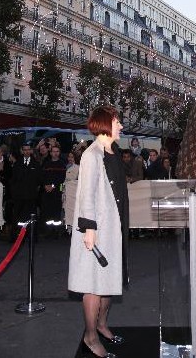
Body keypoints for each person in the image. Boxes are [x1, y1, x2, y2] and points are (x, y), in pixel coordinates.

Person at [69, 106, 129, 358]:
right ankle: (90, 336)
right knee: (93, 284)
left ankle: (102, 325)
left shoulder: (113, 152)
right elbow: (86, 196)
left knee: (108, 282)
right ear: (105, 124)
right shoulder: (91, 155)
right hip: (97, 229)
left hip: (114, 226)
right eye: (117, 121)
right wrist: (89, 229)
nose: (121, 126)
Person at [10, 144, 43, 239]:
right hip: (19, 196)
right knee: (17, 216)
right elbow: (13, 179)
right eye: (25, 150)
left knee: (32, 217)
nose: (27, 151)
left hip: (31, 196)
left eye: (28, 150)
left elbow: (39, 179)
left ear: (31, 151)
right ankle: (15, 236)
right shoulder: (17, 164)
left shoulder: (36, 164)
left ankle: (32, 236)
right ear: (22, 151)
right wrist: (15, 192)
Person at [40, 144, 67, 238]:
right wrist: (45, 185)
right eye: (53, 151)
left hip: (57, 192)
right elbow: (42, 176)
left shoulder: (62, 164)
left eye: (57, 151)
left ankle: (55, 231)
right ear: (50, 153)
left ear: (59, 153)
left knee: (56, 212)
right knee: (47, 211)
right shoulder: (46, 164)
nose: (55, 153)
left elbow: (62, 179)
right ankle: (47, 230)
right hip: (47, 192)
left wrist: (52, 186)